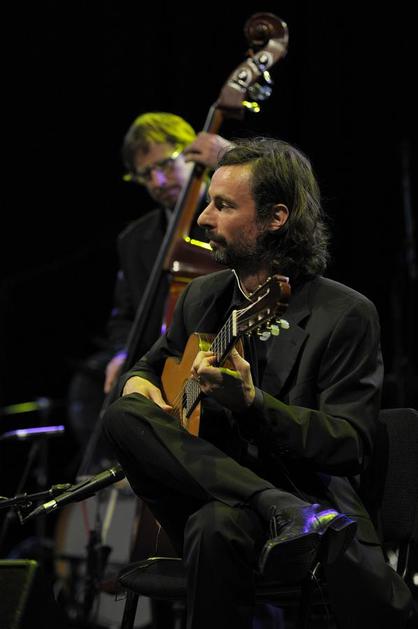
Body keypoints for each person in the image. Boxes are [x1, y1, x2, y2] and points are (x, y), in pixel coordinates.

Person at [103, 137, 413, 629]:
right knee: (121, 413)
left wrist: (253, 404)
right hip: (219, 491)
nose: (203, 219)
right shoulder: (202, 297)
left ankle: (279, 507)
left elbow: (350, 444)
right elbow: (147, 366)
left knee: (214, 526)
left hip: (307, 501)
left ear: (276, 218)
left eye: (223, 206)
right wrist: (139, 383)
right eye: (209, 202)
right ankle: (270, 505)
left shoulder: (345, 313)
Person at [67, 112, 231, 469]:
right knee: (93, 384)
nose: (157, 181)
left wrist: (229, 157)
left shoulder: (227, 216)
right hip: (161, 360)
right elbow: (125, 315)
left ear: (192, 151)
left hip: (220, 352)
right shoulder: (134, 239)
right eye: (145, 174)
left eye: (165, 164)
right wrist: (120, 353)